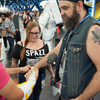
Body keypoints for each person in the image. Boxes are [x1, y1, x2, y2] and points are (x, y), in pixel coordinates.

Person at [33, 0, 100, 100]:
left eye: (65, 8)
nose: (61, 13)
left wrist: (81, 98)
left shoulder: (93, 30)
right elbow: (55, 52)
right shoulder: (72, 28)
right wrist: (36, 66)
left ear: (79, 5)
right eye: (60, 8)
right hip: (64, 93)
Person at [12, 21, 55, 100]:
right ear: (27, 32)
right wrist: (14, 78)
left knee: (36, 97)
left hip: (40, 76)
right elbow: (14, 63)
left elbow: (47, 62)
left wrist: (52, 74)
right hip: (25, 77)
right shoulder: (20, 45)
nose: (34, 36)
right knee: (28, 98)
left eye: (36, 33)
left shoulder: (44, 45)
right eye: (31, 33)